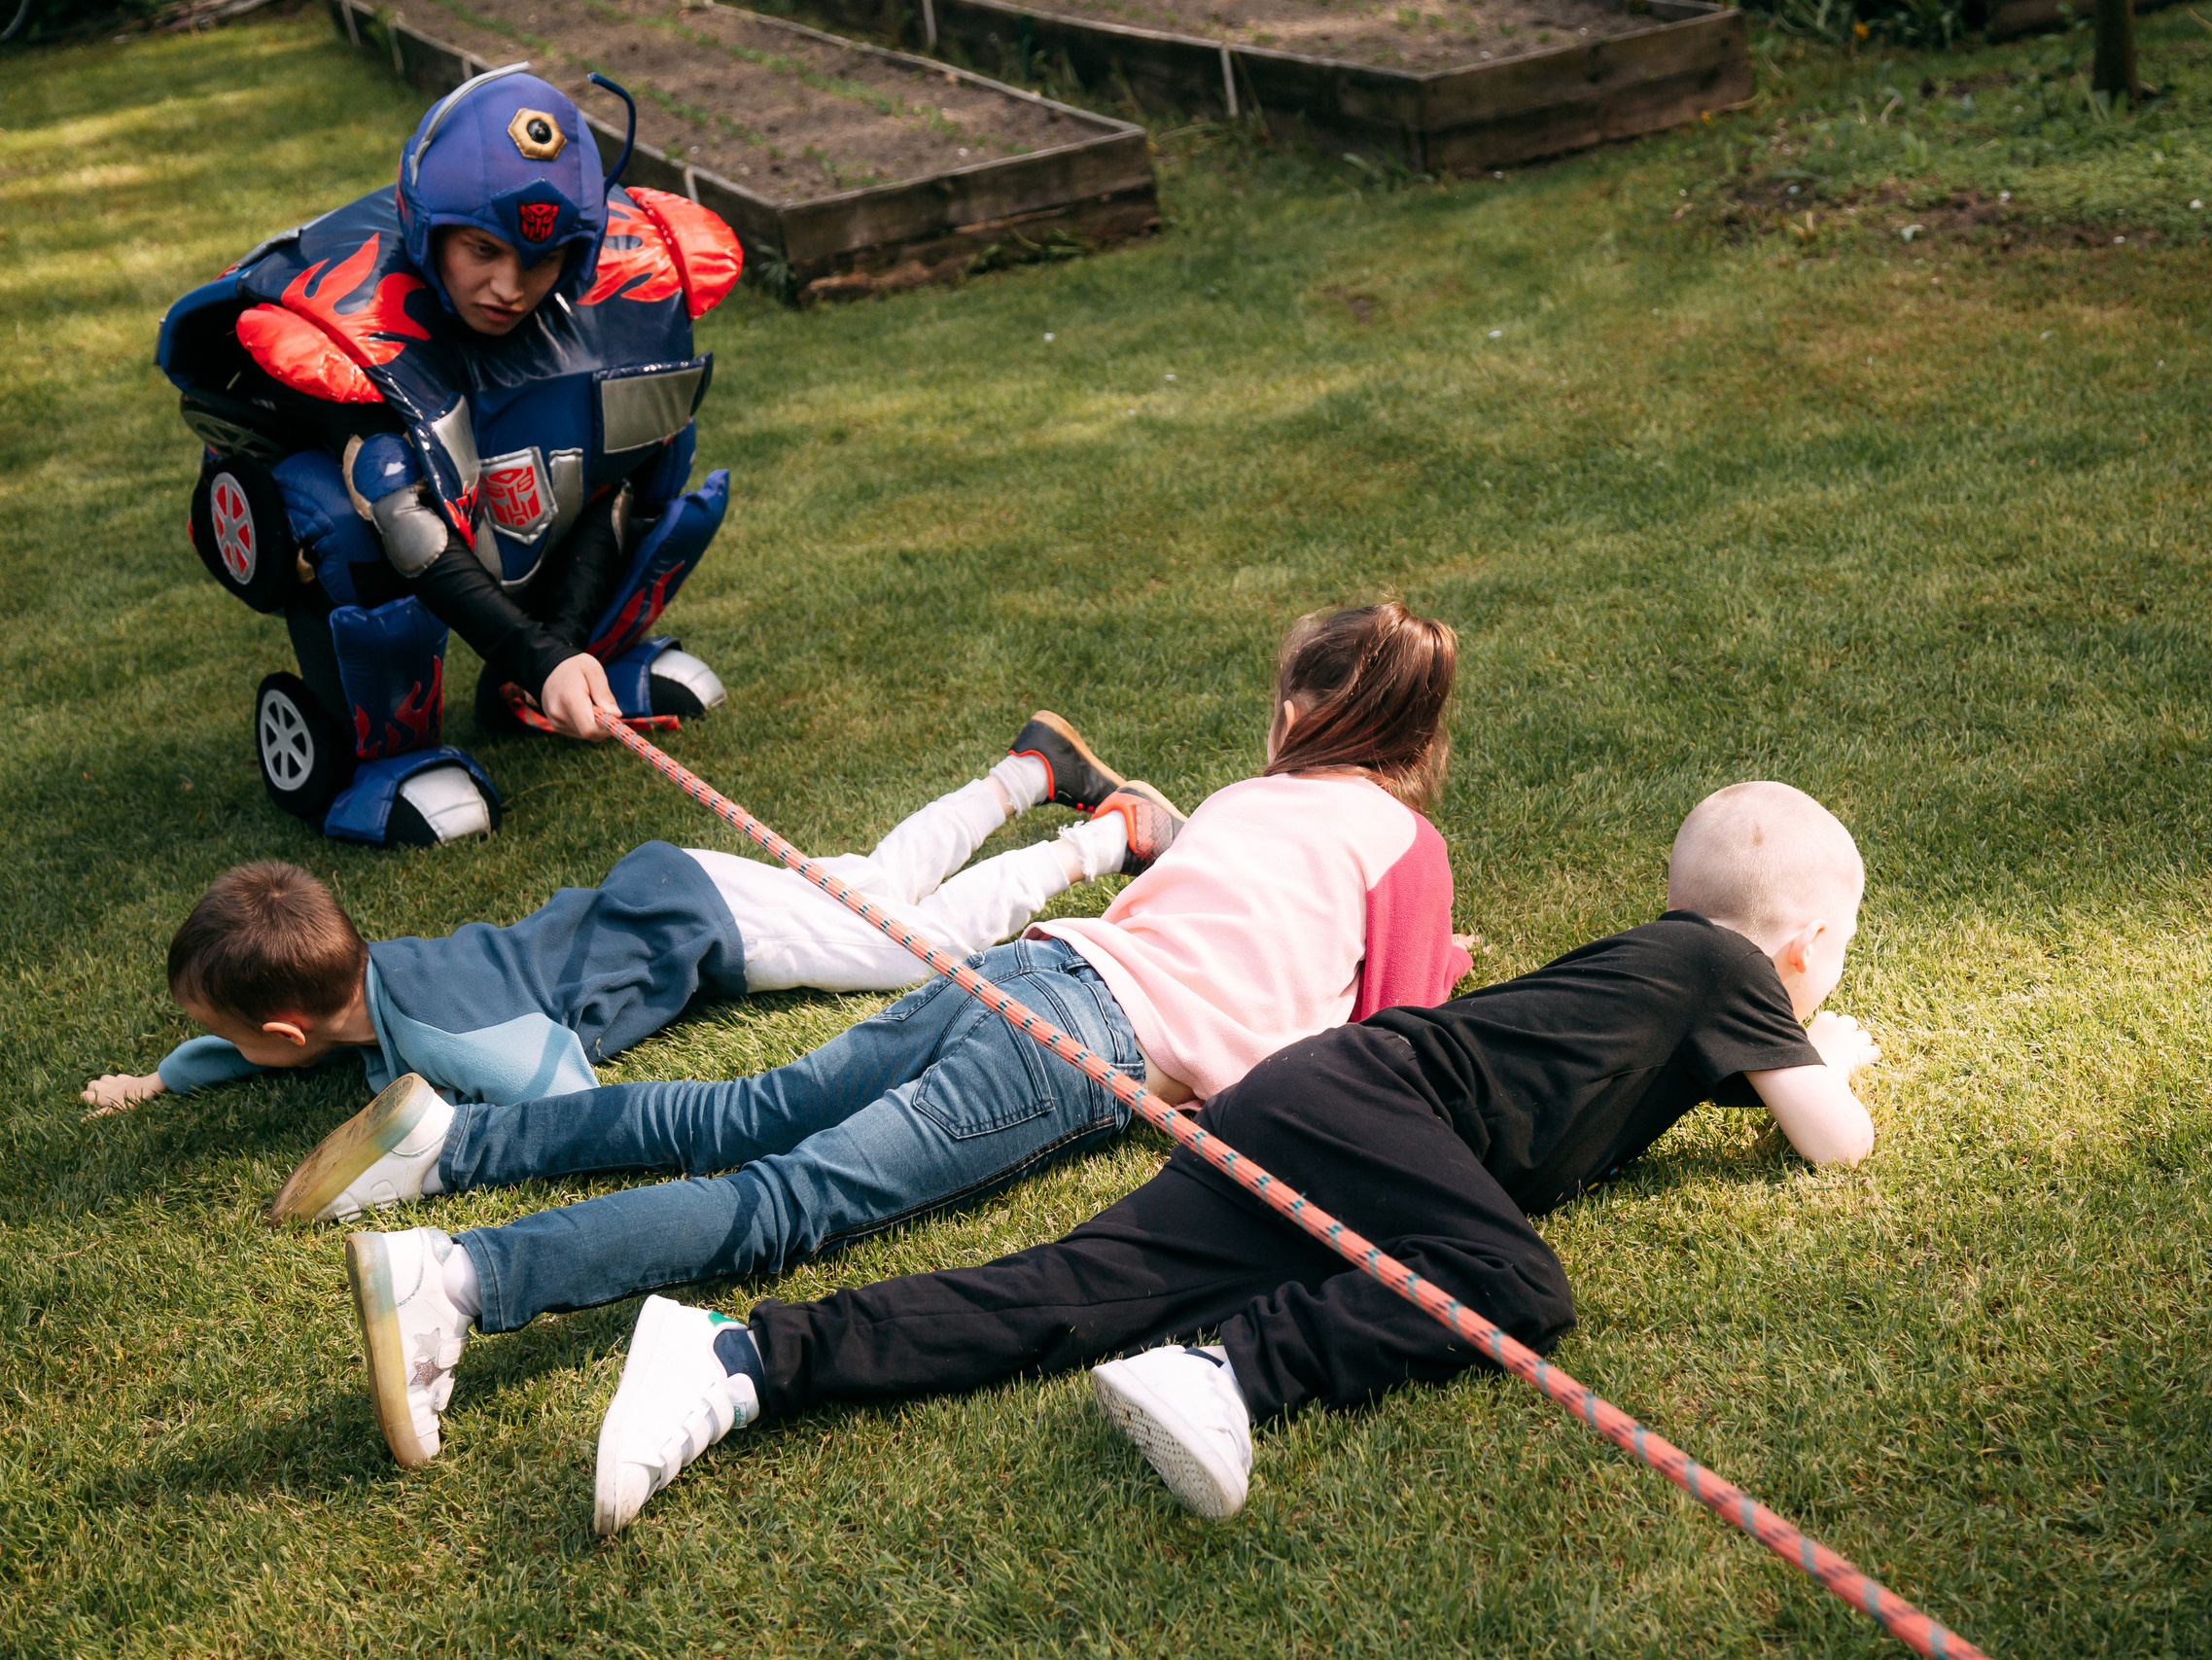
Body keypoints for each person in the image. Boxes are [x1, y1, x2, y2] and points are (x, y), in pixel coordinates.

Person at [309, 601, 1475, 1469]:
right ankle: (463, 1277)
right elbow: (1390, 1048)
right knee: (787, 1200)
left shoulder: (1240, 801)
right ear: (1417, 742)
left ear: (1293, 716)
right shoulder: (1405, 850)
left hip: (1033, 967)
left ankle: (460, 1143)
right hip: (1079, 1042)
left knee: (747, 1110)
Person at [579, 780, 1883, 1536]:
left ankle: (738, 1356)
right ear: (1804, 951)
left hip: (1322, 1109)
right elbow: (1837, 1140)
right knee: (1518, 1282)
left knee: (1069, 1292)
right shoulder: (1726, 968)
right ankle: (1230, 1372)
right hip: (1377, 1109)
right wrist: (1824, 1065)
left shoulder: (1663, 979)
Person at [155, 67, 744, 846]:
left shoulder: (598, 282)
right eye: (483, 250)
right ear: (431, 229)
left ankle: (595, 661)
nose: (510, 286)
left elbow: (623, 472)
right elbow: (408, 529)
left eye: (541, 260)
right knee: (348, 511)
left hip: (498, 499)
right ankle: (378, 755)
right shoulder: (349, 307)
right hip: (390, 522)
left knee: (656, 433)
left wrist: (557, 657)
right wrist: (538, 656)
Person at [80, 714, 1132, 1123]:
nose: (214, 1048)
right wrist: (156, 1080)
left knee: (920, 948)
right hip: (666, 885)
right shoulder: (372, 980)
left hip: (713, 932)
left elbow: (561, 1089)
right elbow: (252, 1050)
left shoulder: (446, 1035)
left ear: (288, 1033)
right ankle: (1033, 766)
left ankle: (1109, 834)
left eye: (222, 1037)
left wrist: (446, 1127)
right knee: (870, 884)